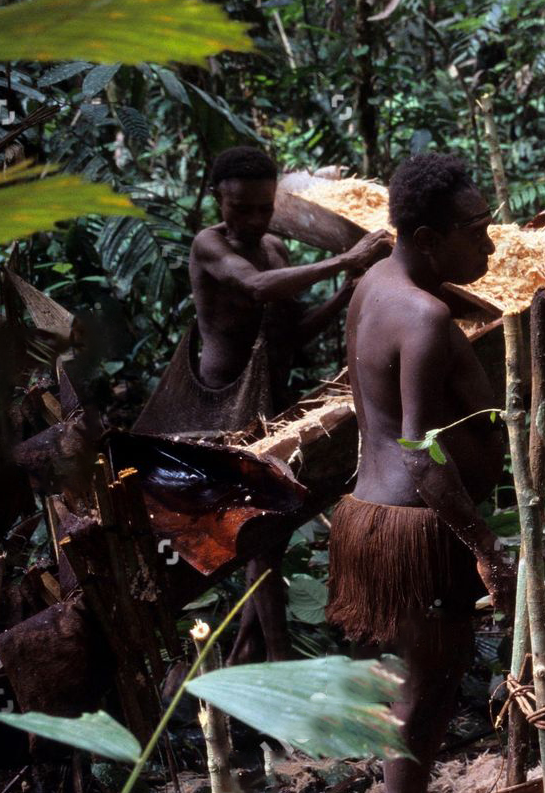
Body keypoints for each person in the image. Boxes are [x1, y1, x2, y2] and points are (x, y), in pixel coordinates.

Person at [135, 146, 388, 664]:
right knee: (251, 538)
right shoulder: (209, 244)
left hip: (270, 404)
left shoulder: (275, 248)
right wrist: (347, 259)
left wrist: (346, 291)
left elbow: (293, 333)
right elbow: (252, 288)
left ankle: (254, 663)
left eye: (263, 207)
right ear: (216, 200)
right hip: (217, 409)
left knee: (266, 537)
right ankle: (271, 663)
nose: (252, 219)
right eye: (239, 207)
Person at [328, 153, 513, 793]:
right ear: (431, 240)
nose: (490, 243)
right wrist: (484, 546)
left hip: (371, 514)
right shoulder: (425, 320)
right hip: (416, 528)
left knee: (411, 685)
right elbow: (418, 451)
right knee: (423, 695)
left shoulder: (375, 281)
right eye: (476, 229)